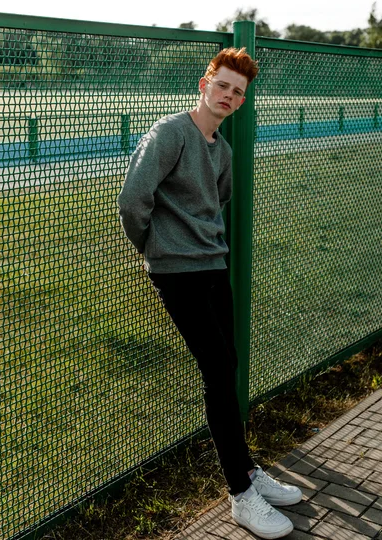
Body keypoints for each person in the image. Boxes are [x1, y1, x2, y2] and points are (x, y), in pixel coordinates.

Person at [117, 47, 302, 539]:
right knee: (218, 369)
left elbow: (216, 200)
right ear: (205, 84)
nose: (229, 96)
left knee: (228, 364)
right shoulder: (170, 132)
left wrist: (193, 243)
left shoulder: (222, 150)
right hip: (177, 271)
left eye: (238, 92)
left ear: (242, 102)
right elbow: (134, 201)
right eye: (222, 85)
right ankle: (241, 496)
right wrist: (157, 250)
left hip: (213, 266)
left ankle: (247, 472)